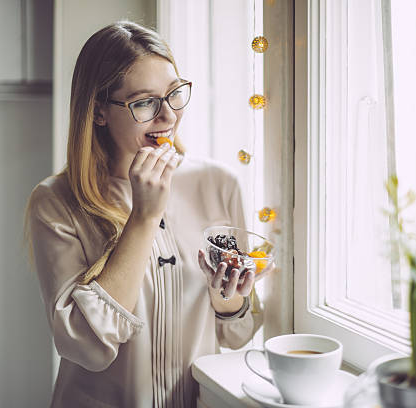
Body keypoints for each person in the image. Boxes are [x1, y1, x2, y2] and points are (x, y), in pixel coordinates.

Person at [25, 21, 264, 407]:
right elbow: (84, 345)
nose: (168, 116)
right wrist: (143, 219)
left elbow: (237, 337)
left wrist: (228, 302)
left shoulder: (220, 184)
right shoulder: (55, 202)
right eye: (144, 103)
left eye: (174, 94)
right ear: (99, 112)